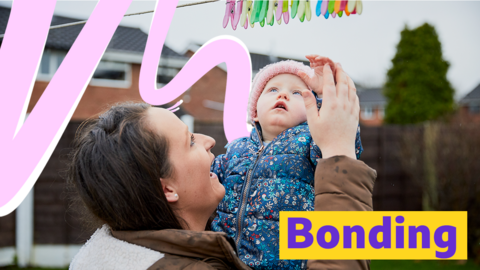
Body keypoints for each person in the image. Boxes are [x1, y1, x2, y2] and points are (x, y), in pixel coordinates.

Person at [68, 63, 376, 270]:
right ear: (168, 189)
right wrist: (341, 153)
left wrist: (324, 99)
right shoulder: (241, 152)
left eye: (296, 93)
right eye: (190, 141)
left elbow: (330, 133)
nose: (209, 142)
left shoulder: (117, 251)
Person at [210, 56, 363, 269]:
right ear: (254, 112)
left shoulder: (310, 142)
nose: (283, 94)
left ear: (313, 111)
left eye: (297, 93)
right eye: (272, 90)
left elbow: (342, 142)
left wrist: (329, 91)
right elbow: (203, 180)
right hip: (226, 260)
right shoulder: (235, 149)